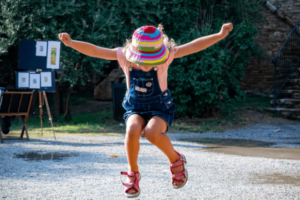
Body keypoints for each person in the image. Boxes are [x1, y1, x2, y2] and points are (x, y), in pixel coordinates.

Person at [58, 22, 233, 198]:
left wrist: (219, 35)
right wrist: (72, 43)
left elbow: (194, 46)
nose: (147, 65)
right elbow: (96, 50)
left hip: (160, 107)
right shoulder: (123, 55)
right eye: (143, 61)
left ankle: (175, 160)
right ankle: (133, 173)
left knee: (152, 132)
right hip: (135, 107)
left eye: (152, 61)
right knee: (132, 129)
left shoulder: (168, 55)